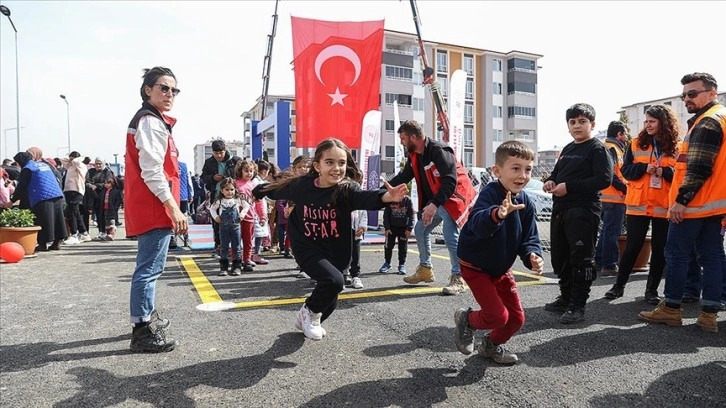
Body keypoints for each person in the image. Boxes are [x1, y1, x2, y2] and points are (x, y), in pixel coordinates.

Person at [252, 138, 408, 340]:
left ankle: (306, 315)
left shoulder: (346, 190)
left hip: (335, 249)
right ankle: (310, 313)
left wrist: (387, 197)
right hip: (306, 245)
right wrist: (256, 191)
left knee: (332, 295)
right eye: (330, 162)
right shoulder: (302, 186)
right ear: (317, 166)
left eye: (341, 163)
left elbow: (366, 197)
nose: (337, 168)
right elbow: (275, 189)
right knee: (334, 281)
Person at [639, 72, 726, 333]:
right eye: (684, 94)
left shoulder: (707, 122)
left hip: (693, 206)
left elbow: (698, 167)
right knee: (712, 257)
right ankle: (709, 314)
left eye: (692, 93)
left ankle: (671, 309)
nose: (687, 98)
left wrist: (681, 200)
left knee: (676, 255)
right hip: (715, 204)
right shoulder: (720, 117)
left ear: (712, 93)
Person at [453, 141, 544, 365]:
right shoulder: (490, 193)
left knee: (516, 319)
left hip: (500, 268)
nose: (523, 175)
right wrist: (498, 214)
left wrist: (533, 254)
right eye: (515, 168)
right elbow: (477, 224)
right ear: (497, 171)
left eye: (528, 169)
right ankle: (466, 319)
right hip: (476, 266)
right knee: (497, 315)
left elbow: (529, 237)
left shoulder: (526, 202)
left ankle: (490, 345)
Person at [125, 66, 187, 352]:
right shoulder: (149, 121)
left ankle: (146, 318)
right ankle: (142, 330)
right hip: (153, 205)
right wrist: (172, 206)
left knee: (151, 267)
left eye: (174, 89)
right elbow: (152, 170)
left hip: (154, 204)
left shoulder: (156, 121)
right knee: (148, 269)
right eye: (163, 88)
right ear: (147, 90)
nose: (169, 94)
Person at [387, 120, 477, 295]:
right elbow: (405, 175)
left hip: (455, 196)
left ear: (414, 137)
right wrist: (384, 188)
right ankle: (426, 270)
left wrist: (433, 205)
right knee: (420, 229)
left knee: (450, 235)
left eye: (403, 138)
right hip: (439, 199)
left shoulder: (439, 151)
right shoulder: (414, 154)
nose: (401, 142)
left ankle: (459, 277)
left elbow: (451, 181)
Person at [542, 103, 612, 324]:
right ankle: (565, 297)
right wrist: (550, 181)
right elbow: (556, 174)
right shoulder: (568, 149)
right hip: (561, 209)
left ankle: (577, 305)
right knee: (560, 257)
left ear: (592, 124)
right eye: (572, 122)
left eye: (582, 121)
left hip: (583, 211)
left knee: (581, 258)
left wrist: (569, 187)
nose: (577, 126)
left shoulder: (598, 149)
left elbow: (604, 180)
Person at [604, 105, 680, 304]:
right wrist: (644, 168)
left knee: (659, 248)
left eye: (652, 121)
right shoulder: (636, 143)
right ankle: (618, 286)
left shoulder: (676, 146)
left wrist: (665, 172)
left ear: (664, 123)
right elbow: (626, 171)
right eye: (646, 121)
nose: (647, 125)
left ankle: (651, 291)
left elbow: (682, 176)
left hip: (663, 205)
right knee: (633, 246)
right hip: (638, 204)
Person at [4, 152, 66, 251]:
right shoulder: (43, 164)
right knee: (57, 219)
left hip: (42, 195)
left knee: (42, 220)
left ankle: (42, 244)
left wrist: (12, 201)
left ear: (21, 160)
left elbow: (22, 187)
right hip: (56, 193)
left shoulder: (27, 168)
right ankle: (57, 242)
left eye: (17, 162)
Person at [594, 121, 629, 276]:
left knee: (607, 230)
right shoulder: (612, 149)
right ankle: (609, 265)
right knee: (612, 231)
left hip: (607, 196)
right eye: (625, 134)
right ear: (619, 134)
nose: (627, 137)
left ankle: (600, 261)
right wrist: (625, 188)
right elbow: (611, 174)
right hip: (613, 197)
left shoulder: (608, 147)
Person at [201, 140, 241, 255]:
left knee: (234, 220)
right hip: (217, 195)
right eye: (216, 153)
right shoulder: (209, 162)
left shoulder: (235, 160)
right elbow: (204, 177)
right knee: (217, 220)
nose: (219, 155)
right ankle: (219, 245)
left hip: (233, 195)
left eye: (221, 153)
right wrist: (213, 177)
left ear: (225, 150)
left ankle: (235, 246)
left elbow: (241, 175)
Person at [210, 177, 250, 276]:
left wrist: (242, 214)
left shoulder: (237, 199)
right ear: (222, 190)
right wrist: (216, 217)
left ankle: (236, 266)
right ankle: (224, 267)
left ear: (235, 190)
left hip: (235, 226)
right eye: (227, 190)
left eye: (232, 189)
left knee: (236, 246)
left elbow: (246, 206)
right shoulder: (219, 200)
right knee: (224, 247)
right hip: (223, 227)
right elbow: (212, 209)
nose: (229, 192)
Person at [234, 159, 263, 271]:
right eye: (246, 171)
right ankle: (236, 260)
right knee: (236, 240)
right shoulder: (235, 183)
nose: (249, 173)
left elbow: (259, 202)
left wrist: (262, 216)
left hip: (250, 217)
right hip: (236, 217)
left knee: (248, 240)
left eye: (251, 171)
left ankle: (246, 260)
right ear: (240, 171)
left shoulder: (254, 185)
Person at [60, 151, 91, 244]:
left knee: (72, 212)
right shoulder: (70, 166)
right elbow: (62, 160)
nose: (71, 160)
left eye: (72, 158)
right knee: (75, 212)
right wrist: (70, 158)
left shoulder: (81, 165)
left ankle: (74, 234)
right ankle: (84, 233)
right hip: (69, 190)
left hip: (76, 190)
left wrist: (80, 158)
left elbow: (77, 161)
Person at [378, 195, 414, 275]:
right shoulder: (390, 199)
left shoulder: (408, 200)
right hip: (391, 228)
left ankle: (402, 264)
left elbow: (411, 215)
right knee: (388, 246)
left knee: (403, 247)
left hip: (403, 228)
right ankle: (387, 263)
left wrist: (409, 228)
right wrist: (387, 228)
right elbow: (386, 214)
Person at [345, 209, 367, 289]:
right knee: (342, 254)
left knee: (355, 255)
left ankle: (355, 276)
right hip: (342, 231)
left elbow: (364, 214)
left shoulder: (359, 200)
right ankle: (343, 275)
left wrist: (362, 227)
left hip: (355, 231)